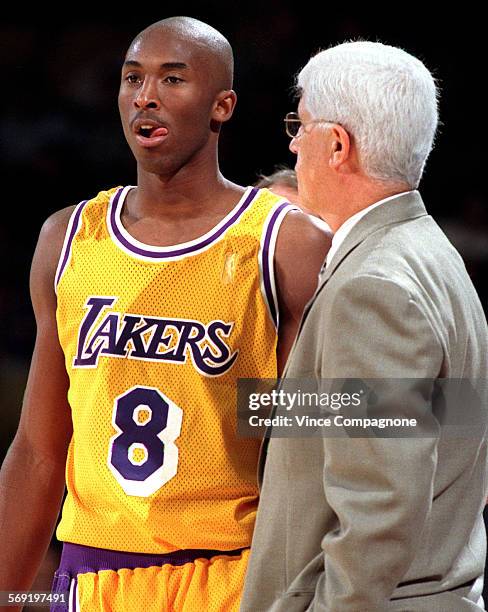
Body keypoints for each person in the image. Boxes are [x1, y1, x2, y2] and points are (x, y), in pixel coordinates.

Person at [0, 17, 330, 612]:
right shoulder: (68, 239)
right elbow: (38, 451)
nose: (145, 96)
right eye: (132, 78)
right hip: (93, 576)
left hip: (233, 575)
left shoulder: (286, 244)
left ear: (222, 105)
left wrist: (442, 410)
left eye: (172, 79)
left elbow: (313, 439)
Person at [241, 41, 488, 611]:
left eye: (298, 126)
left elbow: (380, 509)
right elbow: (417, 430)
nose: (293, 143)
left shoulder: (372, 286)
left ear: (336, 145)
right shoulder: (428, 252)